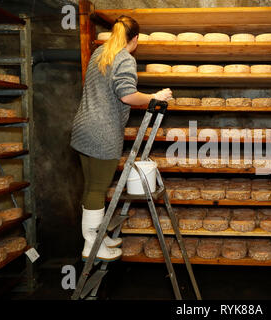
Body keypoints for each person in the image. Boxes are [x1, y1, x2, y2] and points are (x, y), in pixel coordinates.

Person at [70, 15, 172, 262]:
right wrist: (155, 97)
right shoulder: (125, 58)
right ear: (135, 39)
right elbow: (127, 95)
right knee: (97, 188)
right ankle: (92, 247)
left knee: (91, 186)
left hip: (83, 127)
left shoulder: (100, 53)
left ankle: (95, 238)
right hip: (102, 133)